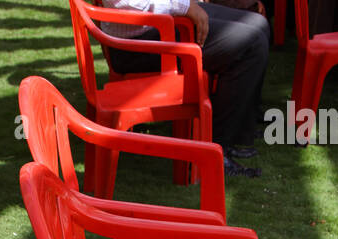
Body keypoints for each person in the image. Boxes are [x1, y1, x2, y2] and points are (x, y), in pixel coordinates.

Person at [99, 0, 271, 176]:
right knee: (252, 43)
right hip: (137, 41)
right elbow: (125, 4)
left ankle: (237, 132)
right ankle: (217, 150)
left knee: (258, 23)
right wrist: (184, 6)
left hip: (162, 23)